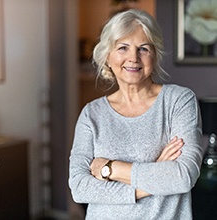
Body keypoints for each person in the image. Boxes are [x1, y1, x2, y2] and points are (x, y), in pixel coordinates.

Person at [69, 9, 203, 220]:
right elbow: (80, 188)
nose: (133, 58)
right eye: (123, 47)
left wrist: (110, 169)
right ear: (107, 56)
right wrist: (157, 172)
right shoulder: (91, 114)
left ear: (155, 55)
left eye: (143, 49)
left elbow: (183, 176)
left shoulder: (179, 101)